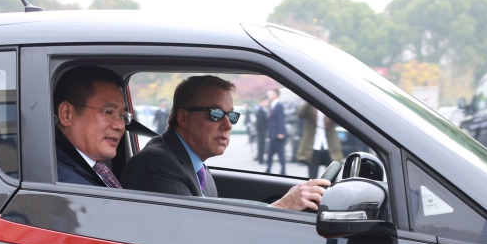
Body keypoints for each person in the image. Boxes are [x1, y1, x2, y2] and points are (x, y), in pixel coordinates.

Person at [120, 75, 330, 211]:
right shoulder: (157, 165)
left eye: (231, 115)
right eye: (216, 114)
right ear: (183, 118)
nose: (228, 125)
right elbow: (199, 235)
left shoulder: (194, 165)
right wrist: (282, 207)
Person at [54, 65, 130, 188]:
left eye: (122, 115)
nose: (120, 126)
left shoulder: (91, 169)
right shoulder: (65, 183)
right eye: (108, 112)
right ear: (66, 114)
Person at [297, 102, 344, 179]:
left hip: (329, 145)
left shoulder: (329, 106)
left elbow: (340, 118)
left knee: (332, 175)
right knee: (312, 175)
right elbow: (300, 114)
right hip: (314, 145)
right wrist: (309, 101)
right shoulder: (311, 107)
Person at [265, 88, 287, 175]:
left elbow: (281, 120)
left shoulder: (279, 105)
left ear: (276, 95)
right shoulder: (272, 105)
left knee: (280, 153)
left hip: (278, 135)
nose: (269, 96)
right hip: (272, 134)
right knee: (269, 153)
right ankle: (268, 169)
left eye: (271, 94)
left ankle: (283, 170)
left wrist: (281, 132)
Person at [254, 98, 269, 164]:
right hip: (261, 131)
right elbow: (259, 122)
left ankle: (261, 159)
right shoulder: (260, 110)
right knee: (261, 145)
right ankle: (260, 160)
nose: (267, 103)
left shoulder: (263, 109)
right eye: (266, 102)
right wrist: (262, 130)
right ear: (262, 102)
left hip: (262, 130)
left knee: (262, 145)